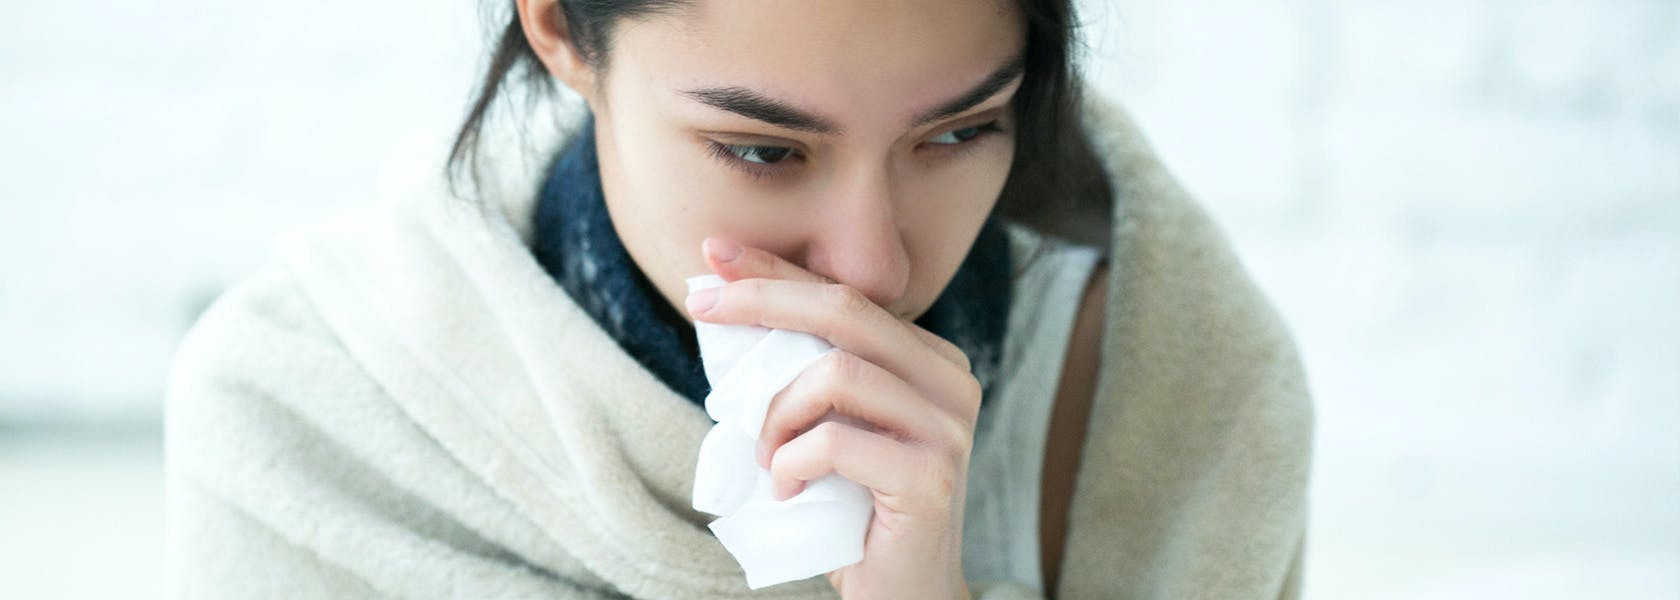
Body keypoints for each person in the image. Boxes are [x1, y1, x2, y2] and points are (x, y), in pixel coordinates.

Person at [163, 0, 1313, 598]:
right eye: (763, 151)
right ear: (561, 27)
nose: (871, 270)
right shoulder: (304, 416)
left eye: (959, 132)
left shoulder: (1166, 401)